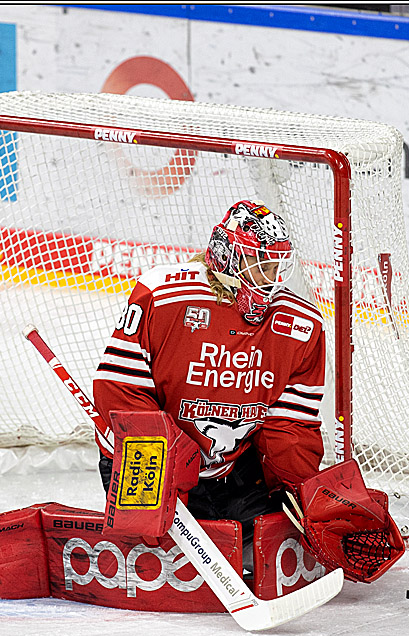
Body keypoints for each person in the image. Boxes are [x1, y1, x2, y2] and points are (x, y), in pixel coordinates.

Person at [92, 200, 326, 561]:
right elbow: (121, 389)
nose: (271, 278)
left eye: (277, 266)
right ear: (226, 256)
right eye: (260, 264)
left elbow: (289, 425)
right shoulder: (163, 295)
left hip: (230, 468)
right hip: (148, 460)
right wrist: (161, 473)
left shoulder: (300, 325)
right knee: (164, 558)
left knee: (269, 553)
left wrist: (300, 491)